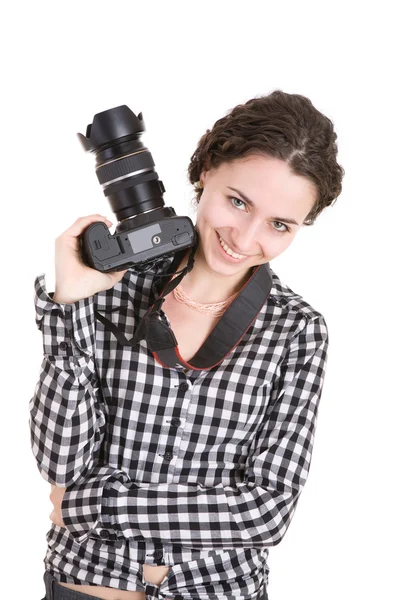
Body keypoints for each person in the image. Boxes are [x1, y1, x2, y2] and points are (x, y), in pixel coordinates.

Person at [30, 90, 344, 600]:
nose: (244, 237)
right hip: (86, 585)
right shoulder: (110, 284)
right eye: (237, 201)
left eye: (279, 225)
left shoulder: (297, 330)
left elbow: (266, 511)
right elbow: (61, 464)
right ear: (204, 174)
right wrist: (68, 304)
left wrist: (98, 505)